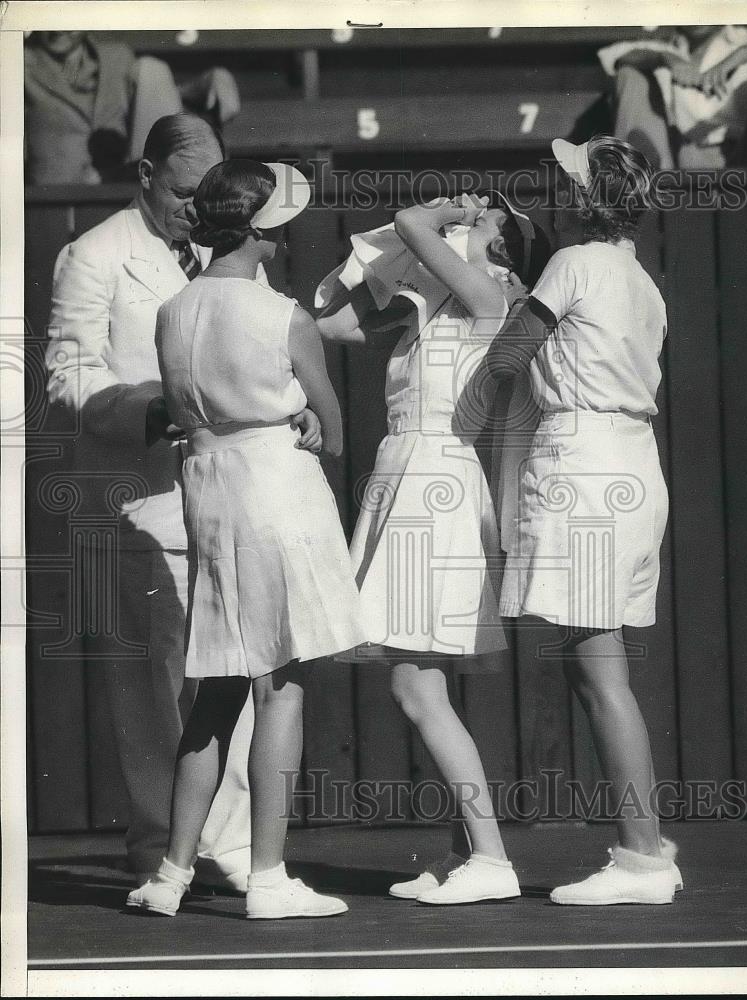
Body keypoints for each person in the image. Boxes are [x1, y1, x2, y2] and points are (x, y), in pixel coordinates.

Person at [46, 113, 320, 893]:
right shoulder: (93, 255)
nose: (194, 209)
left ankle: (223, 847)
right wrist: (149, 407)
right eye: (178, 192)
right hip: (134, 500)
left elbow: (263, 346)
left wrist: (294, 399)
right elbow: (68, 375)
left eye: (206, 194)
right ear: (142, 174)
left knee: (228, 674)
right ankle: (165, 843)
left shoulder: (227, 250)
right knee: (151, 687)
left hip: (225, 496)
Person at [126, 159, 365, 920]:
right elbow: (330, 434)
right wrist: (305, 420)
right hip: (272, 493)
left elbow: (187, 408)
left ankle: (169, 876)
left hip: (209, 491)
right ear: (266, 232)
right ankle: (268, 878)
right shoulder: (284, 315)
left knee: (216, 692)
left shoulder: (171, 309)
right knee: (280, 685)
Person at [316, 193, 550, 905]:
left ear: (504, 254)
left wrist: (445, 204)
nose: (465, 222)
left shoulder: (491, 299)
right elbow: (327, 321)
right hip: (408, 481)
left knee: (413, 683)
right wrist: (395, 267)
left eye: (482, 222)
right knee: (423, 682)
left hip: (432, 488)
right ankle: (463, 854)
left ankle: (490, 858)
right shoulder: (438, 302)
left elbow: (416, 226)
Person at [485, 134, 683, 904]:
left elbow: (507, 356)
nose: (548, 188)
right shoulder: (639, 281)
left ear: (580, 200)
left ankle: (641, 859)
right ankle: (645, 841)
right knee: (591, 669)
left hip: (587, 468)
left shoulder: (571, 265)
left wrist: (501, 279)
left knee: (600, 676)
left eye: (560, 183)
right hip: (630, 466)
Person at [25, 31, 241, 184]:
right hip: (56, 204)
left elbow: (158, 95)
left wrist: (211, 81)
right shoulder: (17, 62)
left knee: (152, 68)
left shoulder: (116, 56)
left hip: (124, 190)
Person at [598, 25, 747, 169]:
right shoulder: (668, 43)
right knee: (631, 75)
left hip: (737, 154)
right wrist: (665, 58)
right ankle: (637, 170)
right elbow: (612, 55)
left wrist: (743, 55)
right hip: (676, 153)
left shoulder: (746, 37)